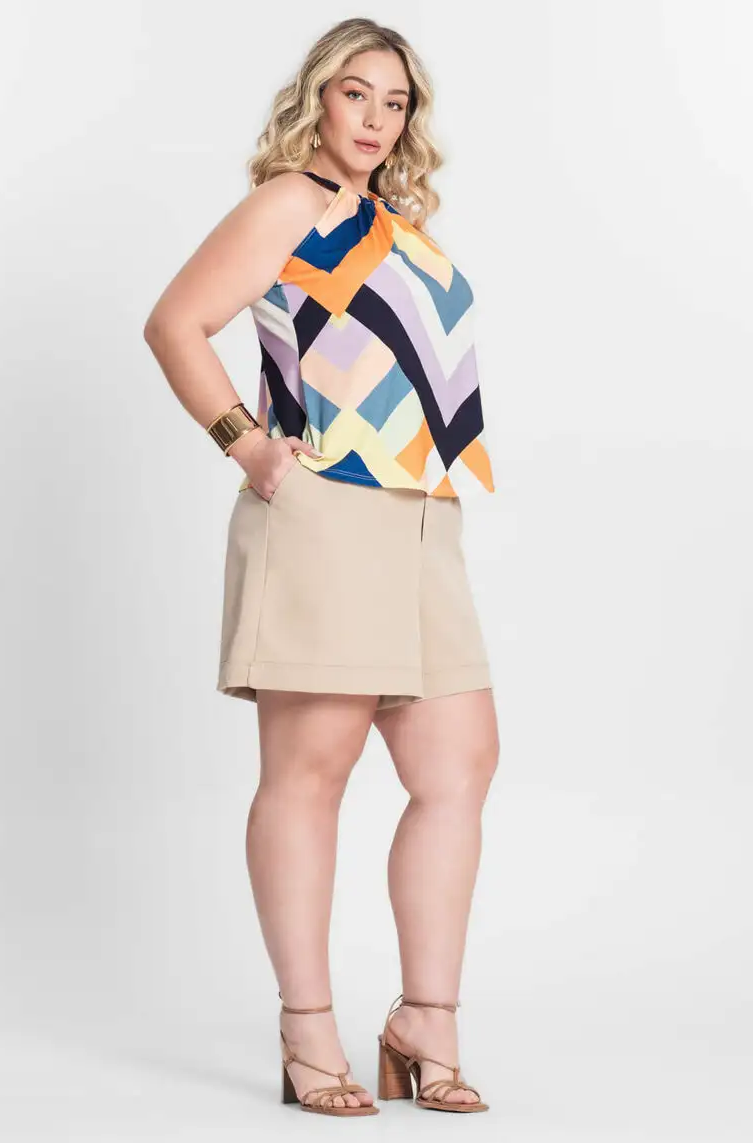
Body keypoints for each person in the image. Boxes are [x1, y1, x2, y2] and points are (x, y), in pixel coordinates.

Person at [143, 17, 498, 1117]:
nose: (376, 119)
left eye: (395, 102)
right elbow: (175, 323)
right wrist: (246, 444)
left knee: (459, 765)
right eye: (355, 94)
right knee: (312, 773)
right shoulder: (290, 204)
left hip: (422, 515)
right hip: (326, 511)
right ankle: (307, 1033)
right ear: (317, 99)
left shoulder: (394, 222)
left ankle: (423, 1021)